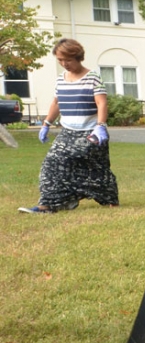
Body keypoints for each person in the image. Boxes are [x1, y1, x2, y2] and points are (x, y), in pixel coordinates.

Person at [19, 38, 119, 214]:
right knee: (52, 163)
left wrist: (100, 126)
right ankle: (48, 205)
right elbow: (56, 103)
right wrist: (46, 123)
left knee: (97, 169)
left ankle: (108, 199)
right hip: (68, 132)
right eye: (60, 60)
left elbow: (101, 103)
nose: (64, 64)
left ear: (78, 57)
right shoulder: (60, 79)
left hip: (90, 132)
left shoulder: (92, 77)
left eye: (68, 60)